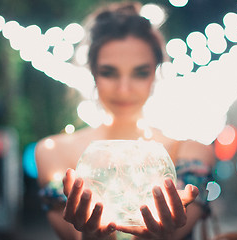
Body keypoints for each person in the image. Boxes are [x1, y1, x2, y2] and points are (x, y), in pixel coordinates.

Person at [35, 2, 215, 240]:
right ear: (93, 73)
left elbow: (175, 232)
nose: (124, 89)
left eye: (140, 73)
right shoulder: (54, 152)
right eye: (109, 72)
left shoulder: (192, 151)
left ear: (155, 72)